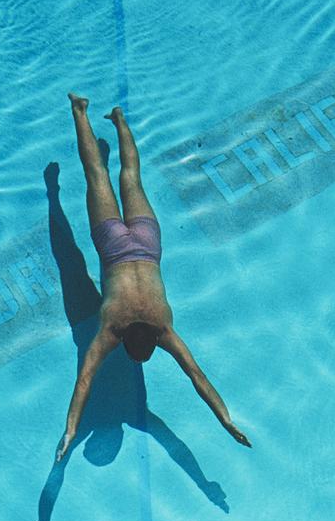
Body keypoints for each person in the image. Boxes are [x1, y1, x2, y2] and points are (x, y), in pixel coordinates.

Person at [55, 93, 251, 462]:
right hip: (114, 248)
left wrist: (227, 418)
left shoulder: (160, 330)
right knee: (98, 175)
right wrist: (70, 433)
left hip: (146, 244)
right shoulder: (113, 330)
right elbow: (85, 384)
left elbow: (198, 378)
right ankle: (85, 113)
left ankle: (114, 118)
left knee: (129, 177)